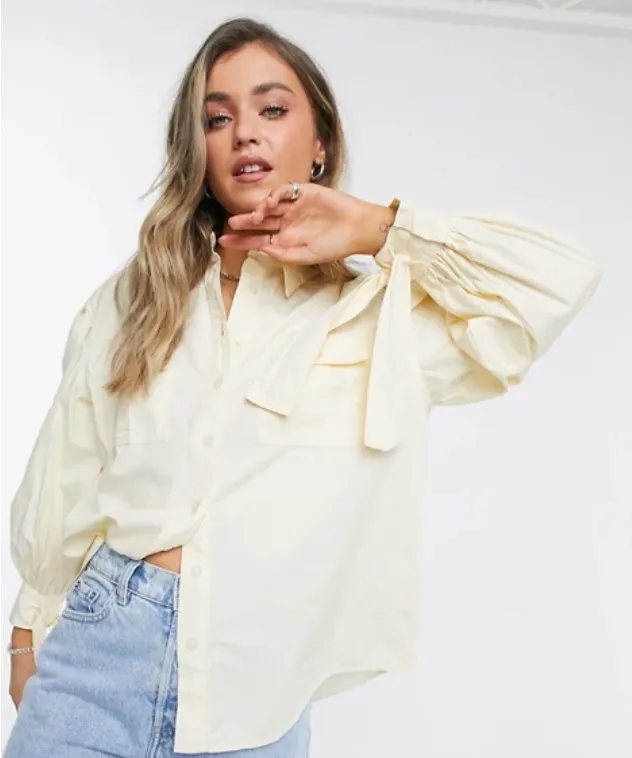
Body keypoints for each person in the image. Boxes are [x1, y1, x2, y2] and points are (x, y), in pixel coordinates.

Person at [5, 15, 602, 758]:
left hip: (255, 698)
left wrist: (379, 228)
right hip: (95, 657)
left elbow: (559, 281)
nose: (244, 133)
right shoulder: (136, 299)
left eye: (273, 108)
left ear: (320, 143)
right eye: (217, 118)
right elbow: (67, 469)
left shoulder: (381, 316)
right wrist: (26, 633)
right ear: (198, 150)